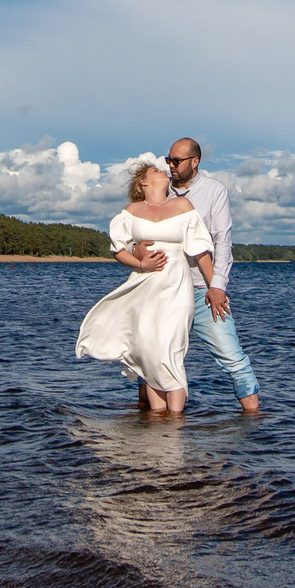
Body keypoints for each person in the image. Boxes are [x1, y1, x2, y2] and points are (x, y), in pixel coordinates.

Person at [112, 138, 262, 414]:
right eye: (168, 160)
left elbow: (222, 242)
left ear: (195, 162)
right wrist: (136, 248)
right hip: (161, 289)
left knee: (230, 354)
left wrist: (217, 285)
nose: (170, 166)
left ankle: (255, 420)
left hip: (202, 290)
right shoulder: (159, 191)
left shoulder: (214, 191)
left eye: (177, 161)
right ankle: (149, 423)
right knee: (151, 355)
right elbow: (137, 228)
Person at [74, 163, 215, 412]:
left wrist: (215, 287)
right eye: (156, 171)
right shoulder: (131, 211)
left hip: (177, 288)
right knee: (150, 350)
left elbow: (201, 252)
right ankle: (157, 420)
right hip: (144, 287)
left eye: (164, 170)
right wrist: (140, 262)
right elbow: (118, 249)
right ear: (144, 182)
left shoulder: (183, 206)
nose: (164, 171)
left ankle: (176, 421)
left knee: (171, 347)